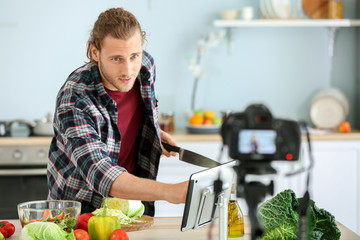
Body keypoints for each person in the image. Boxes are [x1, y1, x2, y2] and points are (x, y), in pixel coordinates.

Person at [47, 7, 188, 216]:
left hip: (130, 209)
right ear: (95, 52)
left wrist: (153, 131)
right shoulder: (75, 99)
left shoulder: (146, 67)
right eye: (116, 59)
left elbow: (135, 112)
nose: (128, 70)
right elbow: (100, 173)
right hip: (79, 214)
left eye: (134, 56)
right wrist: (170, 192)